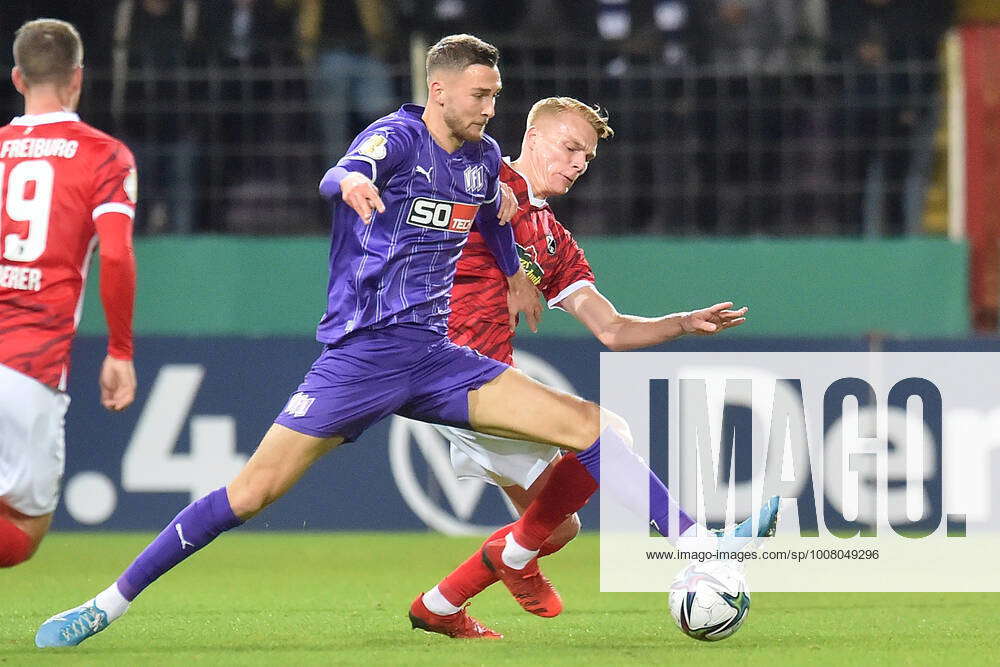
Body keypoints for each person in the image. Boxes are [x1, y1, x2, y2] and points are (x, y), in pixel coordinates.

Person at [35, 34, 775, 648]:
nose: (491, 107)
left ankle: (696, 548)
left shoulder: (485, 163)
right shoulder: (397, 136)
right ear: (441, 89)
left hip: (436, 357)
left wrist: (519, 272)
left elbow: (489, 220)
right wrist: (351, 183)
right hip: (360, 357)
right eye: (481, 95)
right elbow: (347, 168)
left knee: (590, 426)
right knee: (250, 493)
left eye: (496, 95)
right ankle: (108, 601)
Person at [407, 97, 766, 639]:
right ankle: (697, 543)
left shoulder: (553, 240)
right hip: (444, 368)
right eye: (569, 148)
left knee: (557, 527)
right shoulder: (479, 176)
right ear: (530, 138)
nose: (577, 164)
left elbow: (613, 329)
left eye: (587, 158)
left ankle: (439, 604)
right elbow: (433, 170)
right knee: (606, 432)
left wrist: (683, 322)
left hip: (488, 380)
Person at [0, 18, 138, 568]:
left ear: (17, 78)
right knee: (26, 526)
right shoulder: (105, 156)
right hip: (29, 362)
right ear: (78, 78)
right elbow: (118, 254)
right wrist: (121, 351)